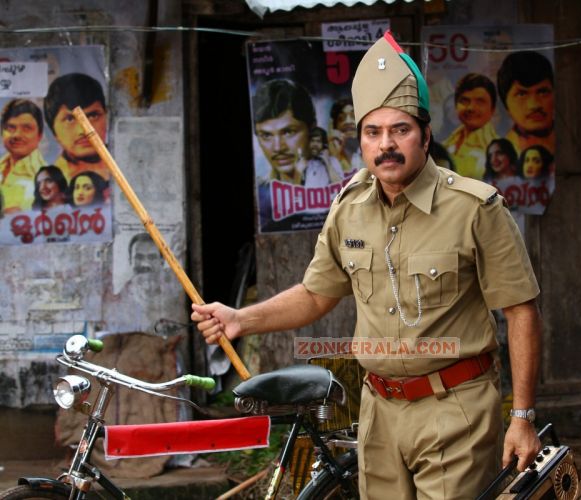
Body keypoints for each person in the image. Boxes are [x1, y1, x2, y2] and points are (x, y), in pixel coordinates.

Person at [193, 31, 542, 499]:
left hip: (454, 407)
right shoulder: (348, 206)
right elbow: (317, 293)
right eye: (373, 132)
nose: (387, 145)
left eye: (400, 130)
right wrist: (241, 319)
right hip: (378, 411)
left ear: (425, 133)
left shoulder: (474, 208)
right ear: (359, 140)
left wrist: (522, 417)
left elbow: (521, 310)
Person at [43, 73, 110, 182]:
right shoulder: (48, 182)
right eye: (70, 119)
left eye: (93, 116)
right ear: (53, 129)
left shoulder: (126, 167)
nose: (83, 130)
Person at [253, 79, 316, 186]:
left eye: (288, 132)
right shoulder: (260, 191)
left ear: (312, 129)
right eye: (266, 135)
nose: (278, 148)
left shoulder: (340, 182)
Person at [496, 51, 555, 156]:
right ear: (505, 103)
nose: (534, 105)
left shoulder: (571, 144)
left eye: (543, 92)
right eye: (522, 94)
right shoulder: (502, 156)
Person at [442, 73, 499, 180]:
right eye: (464, 101)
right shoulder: (448, 142)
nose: (471, 108)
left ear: (493, 108)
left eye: (480, 102)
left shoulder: (497, 150)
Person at [0, 99, 46, 213]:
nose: (17, 135)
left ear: (39, 135)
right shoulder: (2, 165)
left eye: (26, 128)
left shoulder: (44, 176)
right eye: (10, 128)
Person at [328, 97, 363, 174]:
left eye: (353, 116)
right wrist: (335, 156)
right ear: (335, 126)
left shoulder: (372, 152)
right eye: (341, 118)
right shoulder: (330, 157)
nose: (348, 121)